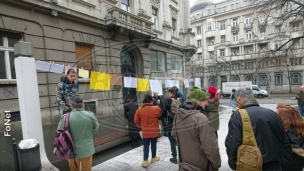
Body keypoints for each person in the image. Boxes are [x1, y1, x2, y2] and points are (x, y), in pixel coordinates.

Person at [225, 88, 290, 171]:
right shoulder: (272, 113)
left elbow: (233, 142)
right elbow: (284, 140)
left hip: (251, 164)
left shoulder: (238, 115)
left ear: (239, 100)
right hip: (275, 164)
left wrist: (233, 163)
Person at [172, 86, 221, 171]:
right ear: (198, 101)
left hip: (184, 164)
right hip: (201, 166)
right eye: (205, 100)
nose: (207, 103)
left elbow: (174, 135)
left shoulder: (177, 115)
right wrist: (217, 164)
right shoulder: (201, 118)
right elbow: (211, 147)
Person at [57, 95, 99, 171]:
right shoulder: (90, 116)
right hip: (87, 149)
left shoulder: (65, 117)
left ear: (72, 105)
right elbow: (95, 129)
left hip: (71, 151)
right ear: (82, 103)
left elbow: (59, 133)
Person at [134, 95, 162, 168]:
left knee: (146, 145)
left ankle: (145, 161)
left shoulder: (139, 110)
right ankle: (153, 158)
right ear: (152, 101)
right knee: (153, 144)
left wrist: (141, 126)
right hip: (154, 131)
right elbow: (160, 115)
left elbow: (136, 121)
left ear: (144, 102)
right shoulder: (157, 108)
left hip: (145, 131)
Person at [276, 104, 304, 171]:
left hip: (287, 163)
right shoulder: (300, 127)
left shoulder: (287, 130)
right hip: (299, 162)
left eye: (277, 115)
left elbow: (295, 146)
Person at [163, 87, 179, 164]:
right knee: (179, 140)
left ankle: (174, 157)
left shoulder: (168, 101)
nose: (167, 94)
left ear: (172, 94)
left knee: (172, 141)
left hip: (170, 123)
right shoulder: (178, 100)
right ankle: (182, 156)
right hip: (178, 123)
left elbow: (163, 111)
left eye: (169, 93)